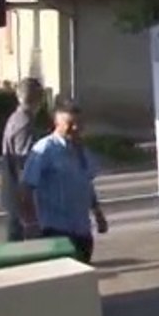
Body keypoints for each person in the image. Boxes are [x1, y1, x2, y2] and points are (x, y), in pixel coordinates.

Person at [17, 98, 108, 264]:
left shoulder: (81, 150)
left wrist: (98, 213)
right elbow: (26, 187)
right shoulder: (44, 149)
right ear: (57, 123)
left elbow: (86, 183)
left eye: (79, 124)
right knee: (63, 282)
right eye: (70, 124)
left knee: (83, 277)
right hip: (55, 229)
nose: (76, 128)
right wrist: (31, 224)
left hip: (81, 228)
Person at [0, 78, 44, 242]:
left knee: (15, 232)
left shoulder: (15, 117)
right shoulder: (25, 122)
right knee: (19, 236)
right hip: (19, 189)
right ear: (38, 98)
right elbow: (24, 161)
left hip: (13, 186)